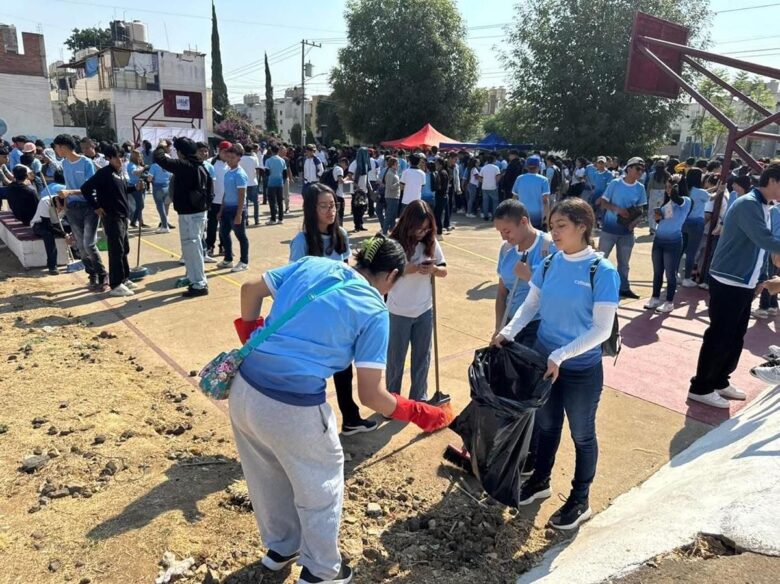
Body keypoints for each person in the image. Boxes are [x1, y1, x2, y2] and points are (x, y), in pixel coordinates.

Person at [231, 235, 452, 584]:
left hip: (244, 392)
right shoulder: (374, 309)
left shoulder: (314, 264)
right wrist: (418, 412)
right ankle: (321, 572)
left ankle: (281, 548)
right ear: (392, 276)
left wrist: (251, 335)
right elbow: (372, 395)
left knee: (266, 475)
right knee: (319, 487)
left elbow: (249, 289)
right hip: (293, 407)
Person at [494, 198, 620, 530]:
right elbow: (531, 304)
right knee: (547, 426)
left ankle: (580, 499)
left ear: (583, 227)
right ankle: (540, 481)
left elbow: (602, 329)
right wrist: (507, 332)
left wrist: (562, 355)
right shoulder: (549, 263)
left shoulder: (601, 271)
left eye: (561, 225)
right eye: (552, 226)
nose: (554, 231)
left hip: (580, 370)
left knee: (582, 434)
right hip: (546, 365)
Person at [688, 162, 780, 409]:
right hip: (729, 279)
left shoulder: (765, 206)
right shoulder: (748, 204)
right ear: (772, 181)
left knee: (735, 335)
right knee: (720, 334)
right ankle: (701, 386)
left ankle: (720, 379)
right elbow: (766, 240)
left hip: (744, 280)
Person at [289, 184, 379, 435]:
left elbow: (347, 271)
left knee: (343, 370)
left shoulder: (341, 234)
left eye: (334, 205)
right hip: (312, 318)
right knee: (312, 374)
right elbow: (294, 280)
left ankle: (350, 419)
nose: (331, 211)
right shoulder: (302, 241)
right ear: (311, 209)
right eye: (324, 206)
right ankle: (305, 424)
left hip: (339, 317)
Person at [386, 201, 447, 402]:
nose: (423, 232)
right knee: (396, 359)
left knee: (422, 357)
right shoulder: (393, 243)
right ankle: (392, 400)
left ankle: (418, 397)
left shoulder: (431, 243)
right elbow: (383, 275)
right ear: (408, 223)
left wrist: (434, 269)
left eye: (427, 228)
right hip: (398, 310)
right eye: (419, 228)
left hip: (424, 309)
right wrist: (407, 269)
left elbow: (444, 270)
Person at [153, 137, 214, 297]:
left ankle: (200, 284)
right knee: (191, 250)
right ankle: (195, 281)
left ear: (180, 152)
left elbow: (159, 158)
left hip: (191, 215)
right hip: (194, 213)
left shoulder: (186, 166)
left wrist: (161, 145)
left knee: (193, 250)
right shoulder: (199, 165)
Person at [493, 199, 555, 348]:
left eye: (507, 231)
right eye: (500, 232)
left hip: (537, 328)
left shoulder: (549, 248)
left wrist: (529, 276)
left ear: (523, 221)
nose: (503, 237)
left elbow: (558, 296)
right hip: (509, 323)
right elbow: (502, 293)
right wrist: (499, 328)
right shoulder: (505, 250)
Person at [53, 134, 108, 292]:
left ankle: (103, 275)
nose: (56, 150)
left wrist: (70, 192)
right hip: (72, 208)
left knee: (89, 244)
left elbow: (90, 187)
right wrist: (64, 204)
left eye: (56, 147)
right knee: (81, 247)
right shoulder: (64, 163)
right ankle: (92, 275)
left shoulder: (86, 163)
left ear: (63, 147)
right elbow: (67, 186)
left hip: (90, 207)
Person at [78, 144, 135, 297]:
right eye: (116, 157)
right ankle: (116, 284)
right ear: (108, 158)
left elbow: (122, 190)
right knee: (116, 250)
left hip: (123, 216)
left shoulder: (120, 172)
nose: (120, 160)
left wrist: (136, 187)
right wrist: (96, 206)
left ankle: (124, 277)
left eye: (122, 157)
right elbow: (86, 189)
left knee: (124, 249)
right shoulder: (104, 173)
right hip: (112, 216)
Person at [597, 157, 647, 299]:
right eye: (638, 168)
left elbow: (641, 209)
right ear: (629, 168)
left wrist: (634, 222)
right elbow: (603, 203)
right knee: (600, 259)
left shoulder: (640, 188)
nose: (640, 171)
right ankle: (595, 286)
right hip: (609, 229)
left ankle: (624, 288)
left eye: (642, 169)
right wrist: (618, 210)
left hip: (627, 232)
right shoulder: (615, 183)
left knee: (624, 263)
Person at [645, 177, 691, 314]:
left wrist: (675, 189)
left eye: (670, 187)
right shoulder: (667, 202)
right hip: (659, 240)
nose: (667, 190)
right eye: (667, 187)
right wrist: (658, 216)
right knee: (657, 272)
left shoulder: (686, 201)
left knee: (670, 274)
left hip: (673, 242)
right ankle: (655, 297)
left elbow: (679, 200)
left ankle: (669, 302)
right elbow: (663, 220)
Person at [217, 145, 250, 272]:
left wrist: (239, 214)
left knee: (241, 236)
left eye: (233, 157)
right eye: (228, 157)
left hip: (237, 209)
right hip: (227, 209)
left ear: (239, 159)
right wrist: (221, 209)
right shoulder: (227, 173)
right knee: (224, 233)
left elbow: (241, 195)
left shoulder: (240, 174)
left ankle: (243, 261)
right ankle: (228, 259)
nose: (230, 160)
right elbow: (226, 193)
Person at [680, 168, 710, 287]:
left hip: (684, 222)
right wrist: (719, 190)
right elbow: (711, 197)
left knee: (680, 250)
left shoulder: (685, 190)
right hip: (697, 223)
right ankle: (687, 278)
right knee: (692, 252)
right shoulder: (701, 192)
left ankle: (674, 274)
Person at [30, 178, 65, 275]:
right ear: (57, 199)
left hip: (56, 223)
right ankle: (52, 265)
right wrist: (64, 234)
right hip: (40, 224)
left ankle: (77, 253)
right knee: (48, 235)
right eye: (59, 207)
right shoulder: (45, 201)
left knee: (74, 228)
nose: (60, 209)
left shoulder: (66, 203)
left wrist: (68, 234)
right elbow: (47, 225)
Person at [512, 155, 551, 230]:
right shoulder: (544, 180)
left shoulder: (519, 178)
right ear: (539, 166)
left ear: (526, 166)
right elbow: (545, 201)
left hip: (521, 214)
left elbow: (514, 198)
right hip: (538, 216)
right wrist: (547, 217)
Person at [206, 141, 231, 257]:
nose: (227, 154)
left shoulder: (232, 164)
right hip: (213, 201)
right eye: (225, 151)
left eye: (230, 152)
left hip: (226, 201)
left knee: (225, 226)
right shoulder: (210, 162)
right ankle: (210, 247)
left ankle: (223, 247)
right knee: (212, 225)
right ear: (219, 150)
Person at [239, 143, 261, 226]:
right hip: (253, 182)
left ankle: (246, 219)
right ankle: (257, 219)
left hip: (244, 183)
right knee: (256, 202)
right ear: (252, 150)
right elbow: (257, 170)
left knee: (245, 203)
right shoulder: (254, 158)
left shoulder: (240, 159)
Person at [265, 144, 287, 225]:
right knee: (280, 201)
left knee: (272, 201)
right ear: (278, 151)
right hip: (280, 182)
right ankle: (280, 219)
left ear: (271, 151)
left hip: (271, 183)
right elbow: (285, 174)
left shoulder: (268, 161)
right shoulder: (282, 160)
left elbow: (267, 173)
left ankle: (273, 219)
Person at [126, 150, 148, 228]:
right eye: (139, 156)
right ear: (134, 156)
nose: (140, 157)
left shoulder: (137, 164)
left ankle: (140, 221)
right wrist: (143, 168)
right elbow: (135, 172)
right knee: (140, 205)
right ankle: (134, 220)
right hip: (135, 186)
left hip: (141, 185)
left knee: (140, 205)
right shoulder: (131, 165)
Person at [478, 154, 501, 221]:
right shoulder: (496, 168)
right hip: (493, 187)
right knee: (495, 202)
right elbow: (498, 177)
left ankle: (486, 216)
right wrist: (496, 183)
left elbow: (479, 178)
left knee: (485, 202)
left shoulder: (483, 168)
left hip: (484, 187)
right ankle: (494, 217)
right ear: (494, 160)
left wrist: (484, 182)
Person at [382, 156, 401, 234]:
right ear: (393, 164)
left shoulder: (393, 172)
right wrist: (399, 183)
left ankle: (391, 231)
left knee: (392, 216)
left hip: (394, 196)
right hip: (391, 197)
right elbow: (389, 187)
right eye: (397, 164)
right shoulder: (390, 173)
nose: (398, 165)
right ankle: (384, 231)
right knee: (389, 215)